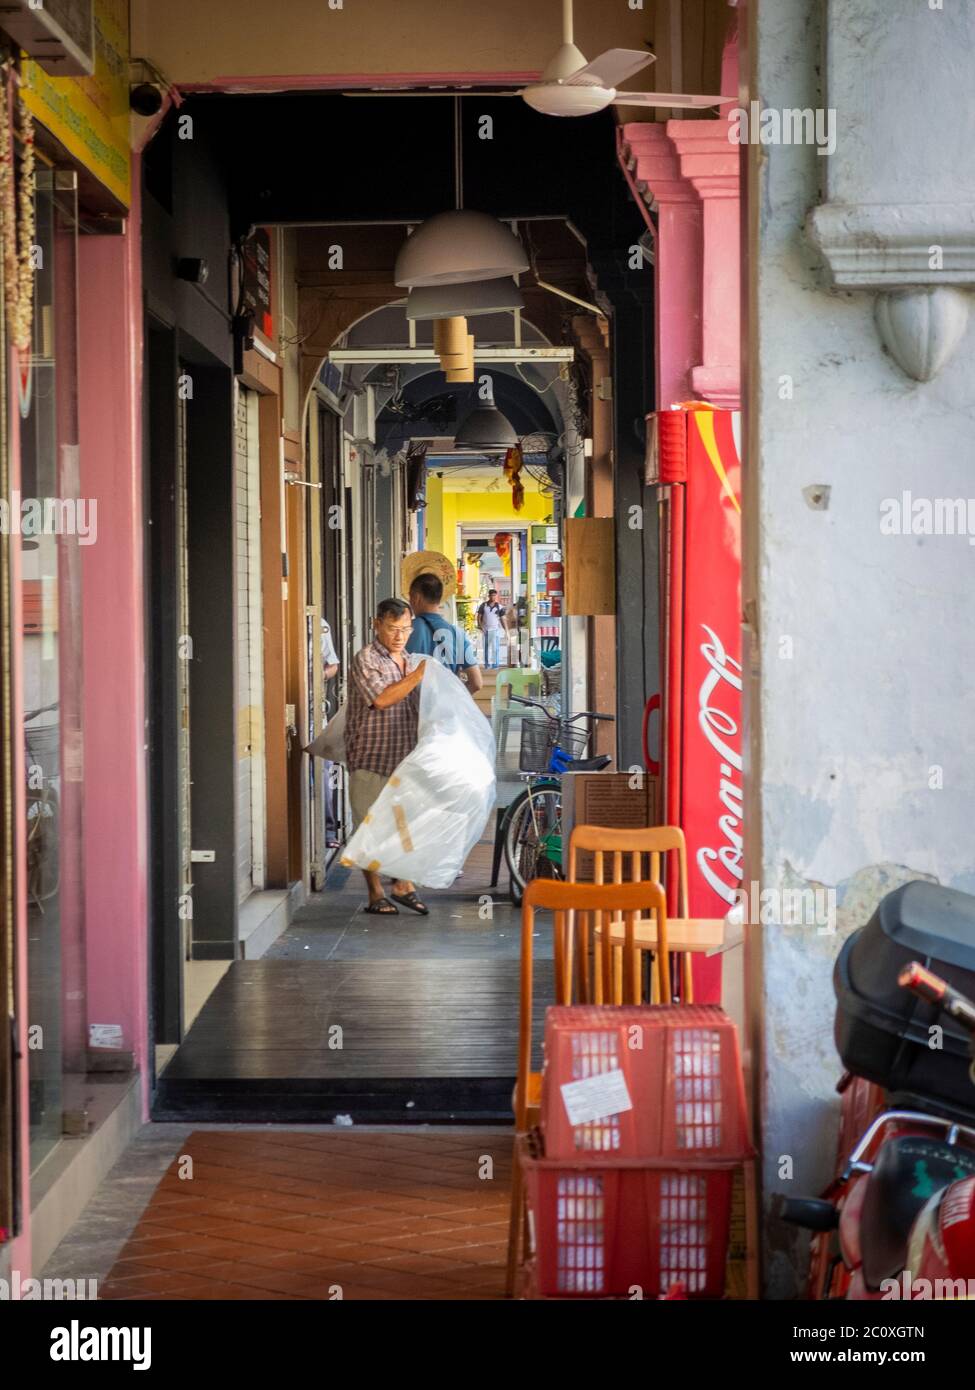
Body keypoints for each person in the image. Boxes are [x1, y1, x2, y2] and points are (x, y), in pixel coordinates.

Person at [346, 597, 429, 916]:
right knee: (370, 825)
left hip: (405, 757)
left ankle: (403, 884)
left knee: (405, 823)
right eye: (393, 628)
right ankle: (374, 893)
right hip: (371, 756)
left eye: (406, 629)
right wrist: (417, 676)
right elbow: (381, 700)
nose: (400, 636)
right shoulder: (366, 659)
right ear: (376, 624)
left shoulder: (408, 659)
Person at [406, 572, 483, 693]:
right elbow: (477, 683)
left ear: (416, 598)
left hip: (413, 708)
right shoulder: (458, 634)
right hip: (446, 710)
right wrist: (453, 699)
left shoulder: (404, 631)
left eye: (410, 597)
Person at [320, 618, 340, 849]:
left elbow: (333, 664)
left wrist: (319, 675)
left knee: (323, 770)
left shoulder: (320, 624)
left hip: (314, 710)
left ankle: (327, 831)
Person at [477, 588, 506, 669]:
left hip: (495, 630)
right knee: (486, 648)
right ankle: (487, 665)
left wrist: (506, 629)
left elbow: (503, 619)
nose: (493, 597)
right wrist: (480, 626)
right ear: (488, 596)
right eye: (491, 595)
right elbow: (479, 617)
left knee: (495, 648)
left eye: (494, 595)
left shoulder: (499, 607)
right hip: (485, 630)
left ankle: (495, 665)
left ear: (496, 596)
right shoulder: (483, 605)